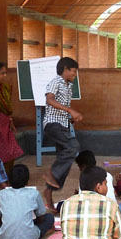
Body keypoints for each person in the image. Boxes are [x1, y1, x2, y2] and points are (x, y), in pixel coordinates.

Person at [42, 57, 82, 211]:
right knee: (73, 147)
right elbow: (49, 100)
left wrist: (70, 118)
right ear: (65, 69)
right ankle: (51, 174)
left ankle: (49, 193)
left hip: (62, 125)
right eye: (74, 71)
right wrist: (70, 110)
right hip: (52, 124)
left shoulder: (68, 86)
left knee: (65, 159)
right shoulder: (55, 81)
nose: (75, 75)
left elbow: (62, 106)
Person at [0, 164, 54, 239]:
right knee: (49, 217)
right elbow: (40, 218)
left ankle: (4, 235)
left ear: (9, 181)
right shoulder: (34, 193)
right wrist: (32, 222)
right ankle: (38, 233)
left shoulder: (2, 194)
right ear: (27, 181)